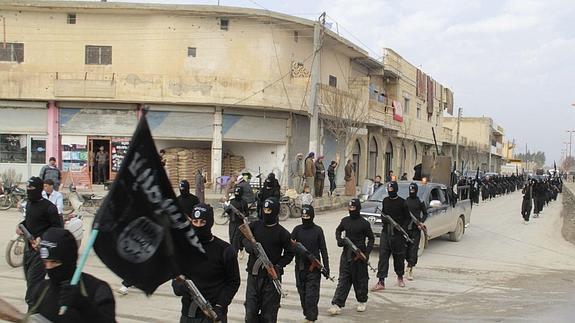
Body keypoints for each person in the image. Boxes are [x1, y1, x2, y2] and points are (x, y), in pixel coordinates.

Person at [172, 204, 241, 323]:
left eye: (202, 222)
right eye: (195, 221)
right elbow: (176, 278)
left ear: (210, 223)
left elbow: (234, 282)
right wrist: (178, 285)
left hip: (213, 315)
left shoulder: (224, 250)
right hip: (188, 314)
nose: (198, 225)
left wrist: (220, 306)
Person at [30, 227, 116, 322]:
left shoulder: (97, 290)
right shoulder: (42, 290)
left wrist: (85, 307)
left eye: (55, 262)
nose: (49, 267)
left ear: (70, 259)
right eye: (45, 262)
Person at [243, 197, 294, 323]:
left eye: (269, 210)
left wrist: (279, 266)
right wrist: (249, 246)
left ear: (275, 211)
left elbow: (290, 253)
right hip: (253, 277)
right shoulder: (255, 225)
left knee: (269, 316)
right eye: (264, 209)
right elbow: (242, 237)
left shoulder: (282, 233)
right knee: (250, 314)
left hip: (271, 278)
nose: (266, 212)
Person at [19, 177, 63, 308]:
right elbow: (28, 222)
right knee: (30, 282)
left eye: (31, 189)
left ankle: (32, 313)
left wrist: (42, 238)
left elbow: (58, 230)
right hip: (28, 250)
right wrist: (20, 226)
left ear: (39, 189)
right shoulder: (29, 204)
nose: (29, 191)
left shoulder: (49, 208)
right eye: (27, 189)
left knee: (34, 286)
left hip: (42, 253)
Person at [328, 198, 374, 315]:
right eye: (349, 208)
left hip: (359, 256)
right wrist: (340, 240)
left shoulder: (364, 223)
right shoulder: (345, 221)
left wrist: (367, 254)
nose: (351, 210)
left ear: (358, 208)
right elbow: (338, 231)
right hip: (346, 254)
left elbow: (371, 238)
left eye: (353, 208)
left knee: (360, 280)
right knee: (343, 279)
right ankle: (337, 304)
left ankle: (362, 301)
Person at [291, 205, 329, 323]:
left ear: (312, 216)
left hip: (314, 269)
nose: (305, 218)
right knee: (302, 294)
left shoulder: (318, 230)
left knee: (311, 296)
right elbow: (290, 246)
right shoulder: (297, 229)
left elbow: (323, 249)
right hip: (300, 267)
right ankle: (308, 315)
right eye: (303, 216)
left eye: (307, 216)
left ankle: (312, 318)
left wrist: (326, 267)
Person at [372, 181, 410, 291]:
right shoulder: (385, 201)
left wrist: (402, 228)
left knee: (399, 257)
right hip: (386, 233)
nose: (390, 192)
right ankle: (381, 281)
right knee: (383, 257)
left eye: (392, 190)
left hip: (398, 235)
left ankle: (400, 277)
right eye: (389, 191)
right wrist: (385, 220)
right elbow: (383, 214)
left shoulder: (403, 202)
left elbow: (408, 218)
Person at [404, 182, 427, 281]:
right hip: (406, 229)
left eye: (413, 190)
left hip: (415, 229)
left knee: (413, 250)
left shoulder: (420, 201)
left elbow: (425, 214)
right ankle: (408, 264)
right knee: (405, 250)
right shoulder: (406, 201)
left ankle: (409, 268)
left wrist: (421, 222)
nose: (411, 191)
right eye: (410, 190)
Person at [226, 186, 249, 257]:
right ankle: (235, 252)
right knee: (232, 239)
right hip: (232, 223)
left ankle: (237, 252)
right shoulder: (232, 201)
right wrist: (227, 208)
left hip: (240, 223)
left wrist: (242, 215)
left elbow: (247, 213)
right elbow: (227, 211)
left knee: (238, 239)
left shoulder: (244, 202)